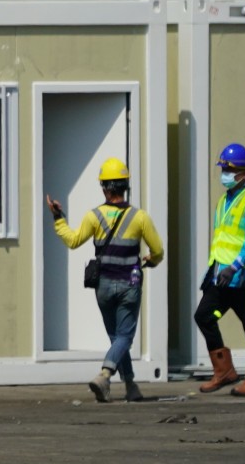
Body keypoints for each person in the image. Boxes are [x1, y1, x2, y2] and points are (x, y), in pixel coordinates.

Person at [45, 157, 164, 403]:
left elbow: (73, 240)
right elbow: (158, 250)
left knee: (116, 337)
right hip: (130, 286)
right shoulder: (140, 217)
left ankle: (131, 386)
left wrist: (58, 218)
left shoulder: (93, 216)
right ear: (125, 186)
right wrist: (150, 261)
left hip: (104, 286)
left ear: (104, 188)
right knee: (125, 338)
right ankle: (105, 374)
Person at [193, 143, 245, 396]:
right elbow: (222, 241)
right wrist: (213, 271)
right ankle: (224, 371)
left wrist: (235, 266)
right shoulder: (225, 200)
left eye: (228, 168)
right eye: (223, 168)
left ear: (243, 173)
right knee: (204, 316)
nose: (224, 173)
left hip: (244, 279)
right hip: (222, 279)